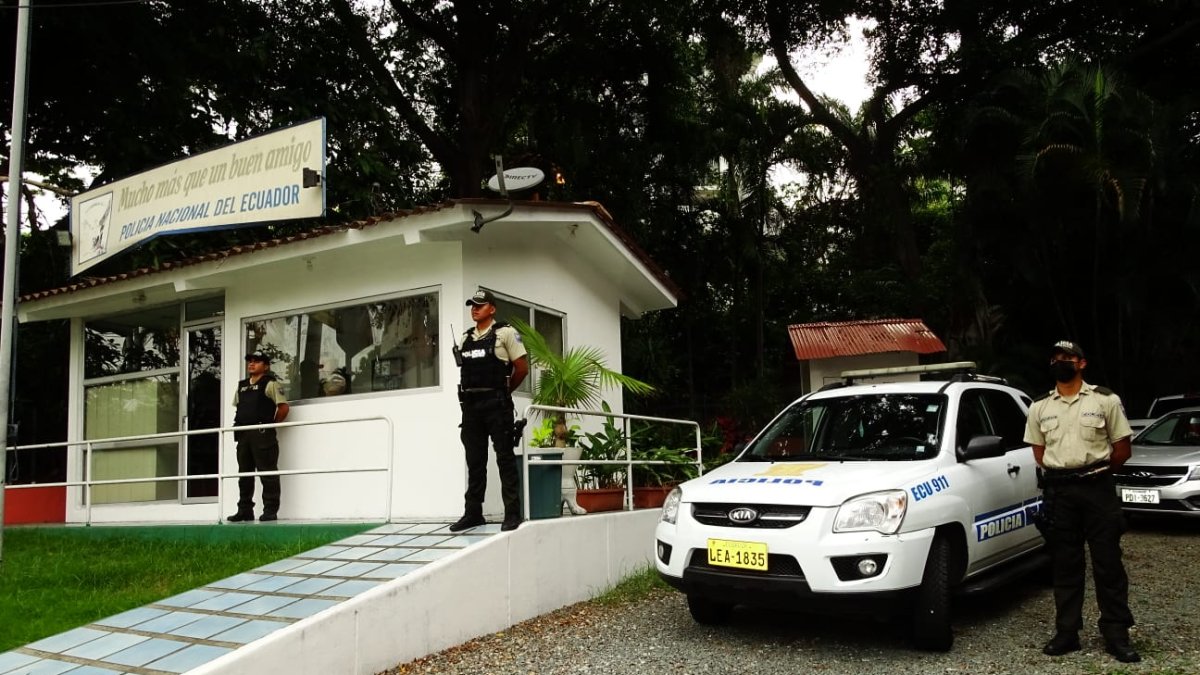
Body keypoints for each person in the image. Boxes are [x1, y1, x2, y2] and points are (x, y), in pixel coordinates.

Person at [1024, 340, 1139, 663]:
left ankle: (1116, 633)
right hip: (1060, 492)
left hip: (1097, 489)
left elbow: (1122, 448)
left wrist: (1095, 473)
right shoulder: (1040, 407)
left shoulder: (1105, 400)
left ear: (1082, 363)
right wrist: (1067, 475)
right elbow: (1039, 452)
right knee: (1065, 565)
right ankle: (1067, 632)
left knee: (1108, 564)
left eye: (1068, 357)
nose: (1062, 361)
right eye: (1057, 357)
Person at [451, 289, 529, 532]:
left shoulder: (506, 333)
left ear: (492, 309)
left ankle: (512, 514)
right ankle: (473, 513)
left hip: (496, 405)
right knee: (475, 461)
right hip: (472, 408)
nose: (474, 309)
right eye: (472, 305)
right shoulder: (466, 338)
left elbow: (522, 368)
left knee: (504, 459)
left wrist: (505, 392)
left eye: (480, 305)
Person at [228, 351, 290, 523]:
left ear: (266, 366)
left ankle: (270, 511)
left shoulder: (270, 384)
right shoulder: (242, 386)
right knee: (244, 475)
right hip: (243, 434)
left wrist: (269, 426)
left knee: (267, 473)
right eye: (250, 361)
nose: (251, 364)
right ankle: (244, 510)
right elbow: (239, 407)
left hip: (262, 436)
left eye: (256, 361)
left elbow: (283, 408)